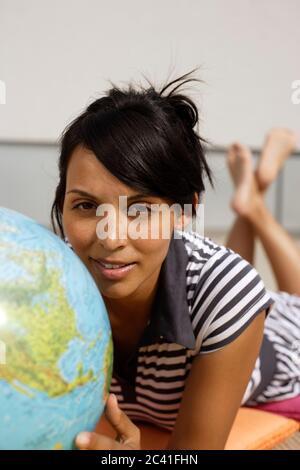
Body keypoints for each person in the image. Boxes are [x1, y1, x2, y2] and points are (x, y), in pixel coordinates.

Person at [51, 72, 274, 450]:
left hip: (284, 349)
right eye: (86, 206)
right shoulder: (44, 284)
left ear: (186, 210)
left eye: (139, 210)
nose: (111, 238)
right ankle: (250, 203)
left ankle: (254, 208)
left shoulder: (226, 292)